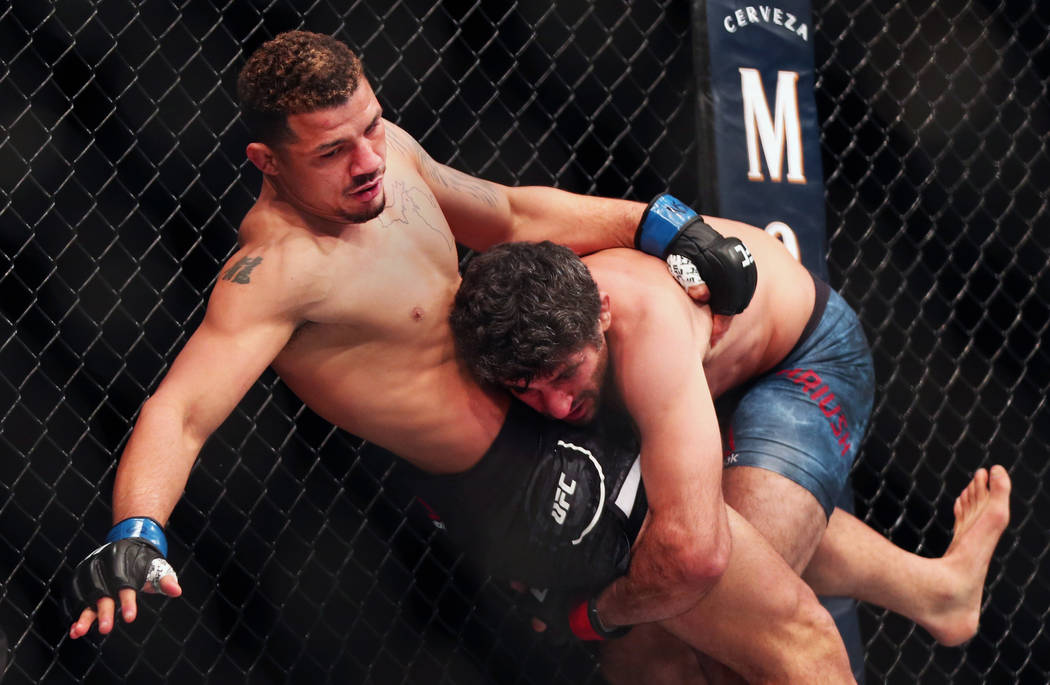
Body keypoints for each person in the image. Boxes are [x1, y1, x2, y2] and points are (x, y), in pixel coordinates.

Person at [66, 30, 856, 683]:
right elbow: (182, 410)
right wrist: (138, 525)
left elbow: (510, 214)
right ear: (267, 162)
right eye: (333, 151)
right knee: (797, 639)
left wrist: (663, 224)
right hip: (528, 479)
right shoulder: (274, 274)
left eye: (371, 125)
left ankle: (937, 589)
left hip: (545, 404)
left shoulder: (392, 160)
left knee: (690, 643)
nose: (368, 159)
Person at [449, 230, 1011, 681]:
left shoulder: (645, 331)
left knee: (730, 645)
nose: (556, 405)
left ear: (603, 314)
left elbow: (696, 556)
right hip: (694, 397)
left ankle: (939, 593)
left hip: (799, 365)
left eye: (567, 376)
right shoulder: (519, 323)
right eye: (528, 391)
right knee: (655, 647)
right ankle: (937, 591)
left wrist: (590, 614)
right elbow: (504, 203)